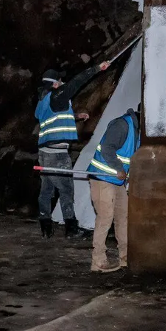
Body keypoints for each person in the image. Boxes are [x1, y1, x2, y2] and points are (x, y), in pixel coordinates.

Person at [35, 61, 110, 238]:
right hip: (57, 153)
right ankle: (71, 229)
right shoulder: (57, 95)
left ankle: (45, 224)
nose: (62, 83)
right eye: (60, 81)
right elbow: (77, 82)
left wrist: (74, 116)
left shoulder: (44, 101)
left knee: (46, 189)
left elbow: (55, 116)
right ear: (55, 83)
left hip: (44, 152)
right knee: (66, 189)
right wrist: (97, 68)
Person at [86, 106, 140, 272]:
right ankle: (98, 260)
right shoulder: (122, 125)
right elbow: (107, 147)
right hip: (102, 178)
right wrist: (119, 169)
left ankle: (125, 256)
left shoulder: (138, 131)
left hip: (117, 181)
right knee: (105, 217)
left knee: (123, 216)